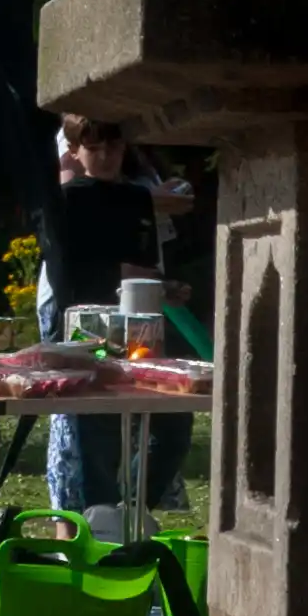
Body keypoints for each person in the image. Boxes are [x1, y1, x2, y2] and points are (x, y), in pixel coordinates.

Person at [36, 114, 195, 527]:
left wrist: (163, 287)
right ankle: (98, 527)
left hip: (138, 324)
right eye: (95, 148)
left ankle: (130, 512)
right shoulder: (70, 200)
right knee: (98, 433)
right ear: (74, 152)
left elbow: (136, 263)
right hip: (86, 330)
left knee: (174, 419)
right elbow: (81, 273)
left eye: (114, 147)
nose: (106, 156)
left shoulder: (133, 196)